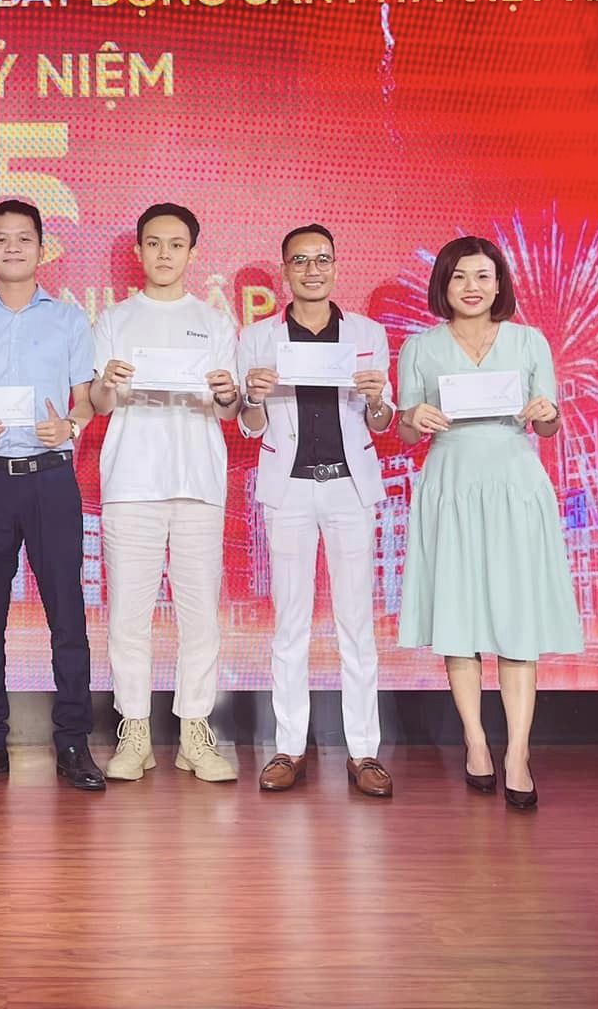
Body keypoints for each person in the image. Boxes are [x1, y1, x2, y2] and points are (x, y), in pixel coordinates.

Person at [394, 235, 583, 811]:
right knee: (460, 617)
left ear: (499, 283)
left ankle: (518, 752)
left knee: (516, 620)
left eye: (482, 276)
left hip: (514, 485)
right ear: (443, 285)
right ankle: (475, 741)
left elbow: (547, 424)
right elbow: (404, 431)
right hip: (450, 484)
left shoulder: (529, 341)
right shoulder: (420, 347)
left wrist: (548, 412)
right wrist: (414, 416)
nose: (471, 287)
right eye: (459, 277)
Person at [0, 199, 105, 791]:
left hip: (51, 478)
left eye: (23, 238)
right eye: (1, 239)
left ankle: (74, 741)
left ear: (41, 248)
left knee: (67, 615)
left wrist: (71, 426)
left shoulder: (70, 320)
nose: (12, 247)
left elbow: (85, 398)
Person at [235, 223, 397, 798]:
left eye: (321, 259)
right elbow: (250, 424)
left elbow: (382, 420)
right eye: (300, 260)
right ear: (285, 270)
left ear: (335, 266)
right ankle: (289, 748)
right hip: (290, 490)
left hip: (350, 488)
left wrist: (377, 399)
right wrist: (253, 398)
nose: (311, 269)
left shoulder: (368, 334)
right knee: (290, 623)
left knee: (356, 623)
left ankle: (365, 752)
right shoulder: (257, 337)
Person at [88, 203, 241, 783]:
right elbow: (99, 403)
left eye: (176, 245)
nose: (164, 254)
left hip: (198, 482)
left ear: (192, 253)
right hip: (131, 482)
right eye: (153, 243)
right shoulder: (115, 320)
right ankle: (135, 731)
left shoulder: (215, 322)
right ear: (138, 251)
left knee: (200, 618)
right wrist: (107, 383)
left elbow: (229, 409)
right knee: (129, 617)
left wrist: (226, 392)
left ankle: (195, 731)